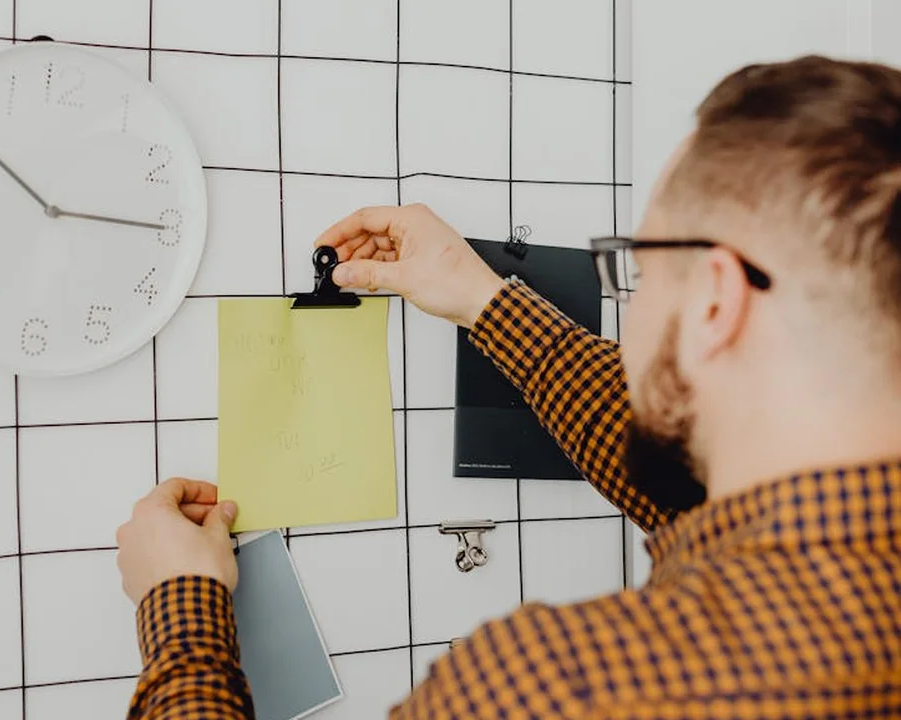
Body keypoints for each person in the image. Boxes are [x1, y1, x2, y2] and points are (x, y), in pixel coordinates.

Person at [116, 54, 901, 718]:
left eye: (641, 268)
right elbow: (676, 476)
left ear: (714, 303)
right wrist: (482, 298)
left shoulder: (556, 688)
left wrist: (181, 609)